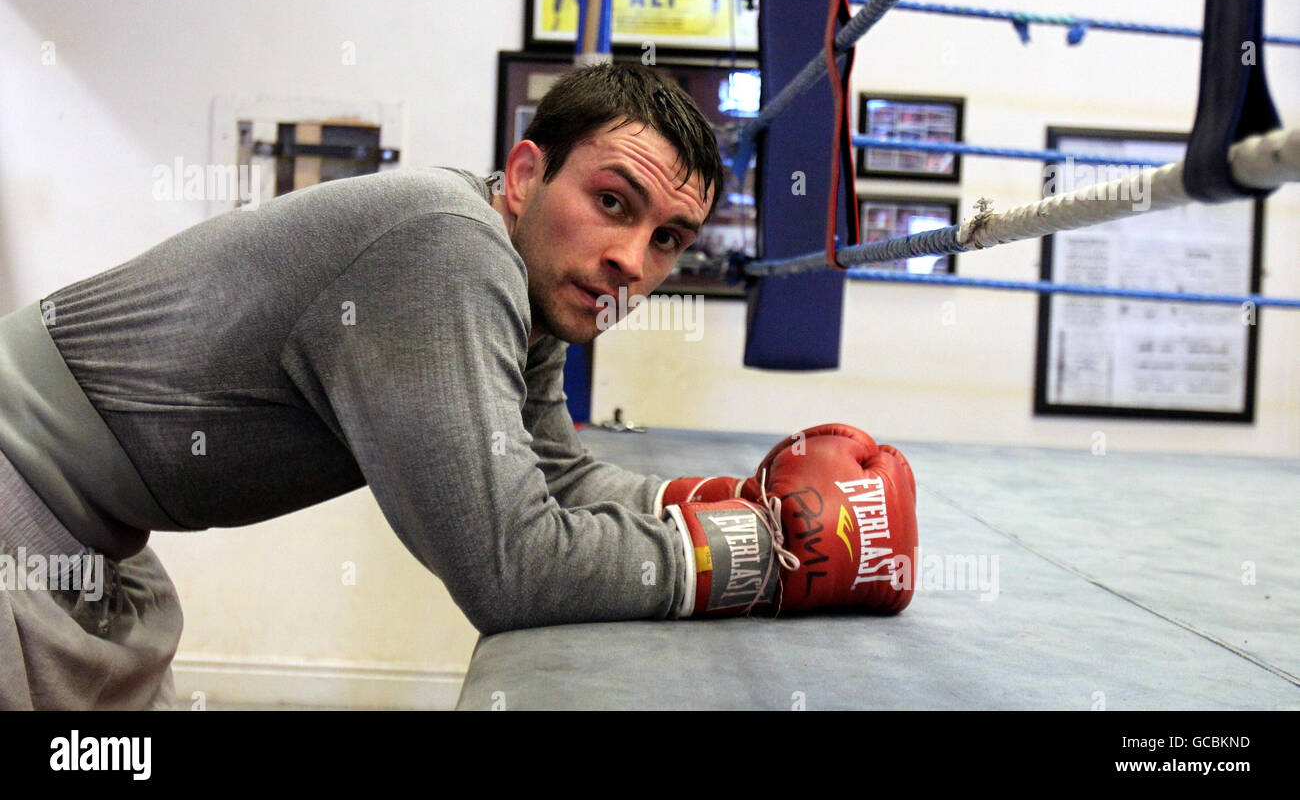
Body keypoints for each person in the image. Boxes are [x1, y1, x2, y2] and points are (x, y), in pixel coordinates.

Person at [0, 63, 916, 711]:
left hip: (89, 542)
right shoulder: (447, 246)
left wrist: (731, 503)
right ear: (525, 175)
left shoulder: (529, 280)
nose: (631, 261)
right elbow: (508, 568)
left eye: (669, 238)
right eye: (612, 202)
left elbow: (557, 475)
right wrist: (757, 557)